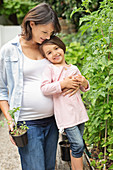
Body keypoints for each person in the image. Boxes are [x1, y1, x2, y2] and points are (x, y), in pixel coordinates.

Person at [0, 3, 77, 170]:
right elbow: (1, 90)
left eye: (51, 33)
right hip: (28, 123)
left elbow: (62, 73)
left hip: (52, 121)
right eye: (44, 32)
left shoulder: (47, 48)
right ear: (32, 24)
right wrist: (10, 120)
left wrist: (75, 84)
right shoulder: (9, 51)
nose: (47, 37)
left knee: (49, 167)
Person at [39, 36, 90, 170]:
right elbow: (44, 88)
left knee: (76, 145)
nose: (55, 53)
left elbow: (84, 87)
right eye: (49, 53)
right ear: (46, 58)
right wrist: (62, 84)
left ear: (62, 47)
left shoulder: (73, 68)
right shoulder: (50, 69)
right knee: (78, 144)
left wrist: (84, 82)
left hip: (79, 113)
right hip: (66, 115)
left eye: (56, 48)